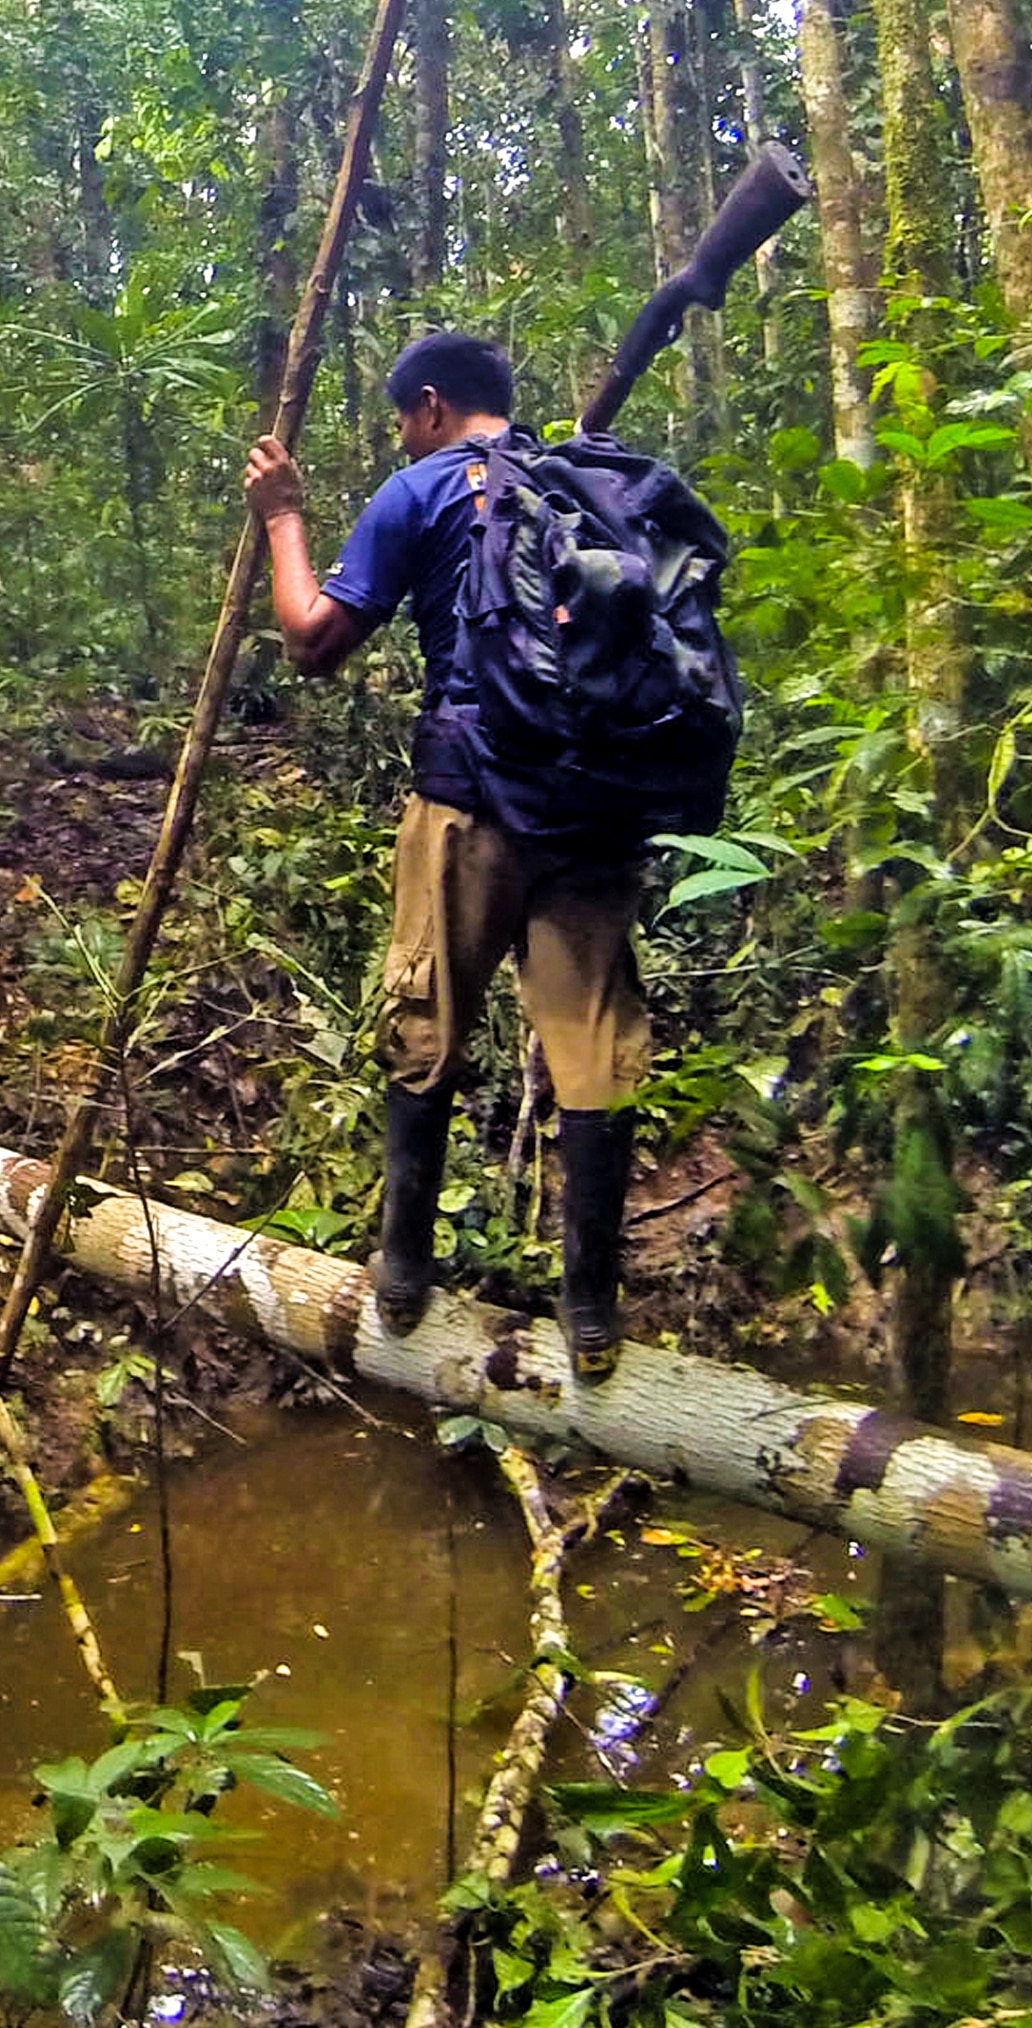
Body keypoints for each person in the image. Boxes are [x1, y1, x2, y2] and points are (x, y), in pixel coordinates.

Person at [241, 332, 653, 1382]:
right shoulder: (586, 483)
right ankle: (591, 1306)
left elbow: (312, 644)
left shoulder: (419, 490)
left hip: (466, 803)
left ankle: (404, 1266)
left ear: (428, 408)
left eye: (399, 420)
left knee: (425, 1018)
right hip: (593, 814)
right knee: (592, 1042)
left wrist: (284, 518)